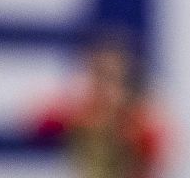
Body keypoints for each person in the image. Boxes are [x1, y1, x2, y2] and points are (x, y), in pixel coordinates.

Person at [32, 31, 171, 178]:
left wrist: (126, 129)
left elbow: (156, 150)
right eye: (99, 75)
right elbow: (40, 129)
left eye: (113, 78)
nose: (106, 87)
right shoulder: (78, 112)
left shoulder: (140, 121)